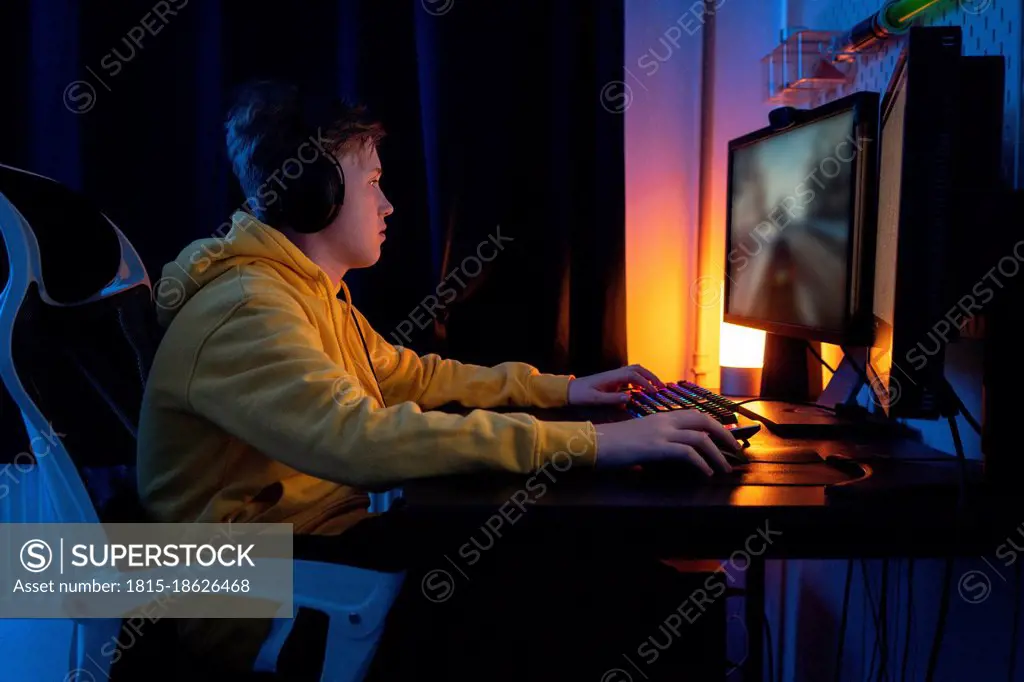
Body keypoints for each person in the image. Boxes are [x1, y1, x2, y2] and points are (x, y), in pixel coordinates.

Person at [134, 80, 740, 679]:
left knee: (600, 572)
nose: (388, 204)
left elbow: (408, 374)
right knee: (636, 604)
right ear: (312, 190)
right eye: (372, 182)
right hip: (268, 598)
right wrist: (596, 442)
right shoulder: (249, 309)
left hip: (324, 552)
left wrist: (565, 390)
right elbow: (360, 441)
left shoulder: (301, 292)